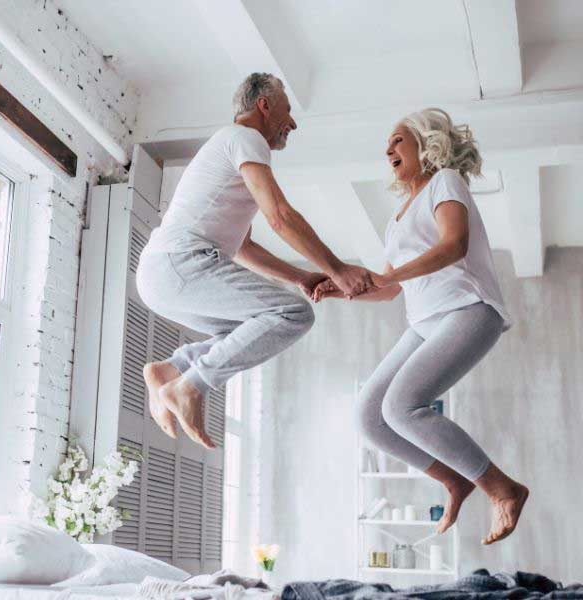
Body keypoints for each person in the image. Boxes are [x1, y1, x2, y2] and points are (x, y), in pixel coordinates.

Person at [313, 108, 529, 545]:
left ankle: (502, 488)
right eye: (387, 145)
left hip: (468, 309)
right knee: (369, 416)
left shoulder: (445, 181)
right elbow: (389, 288)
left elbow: (455, 244)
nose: (387, 150)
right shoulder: (396, 218)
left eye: (397, 140)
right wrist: (342, 289)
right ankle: (455, 480)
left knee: (401, 406)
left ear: (425, 143)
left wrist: (388, 276)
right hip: (424, 321)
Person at [136, 72, 375, 449]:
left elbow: (244, 247)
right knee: (293, 314)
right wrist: (337, 269)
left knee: (249, 330)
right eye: (288, 111)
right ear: (264, 105)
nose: (292, 123)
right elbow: (280, 216)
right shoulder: (244, 138)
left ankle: (172, 369)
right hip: (179, 263)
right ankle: (191, 386)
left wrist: (299, 277)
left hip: (163, 272)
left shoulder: (230, 148)